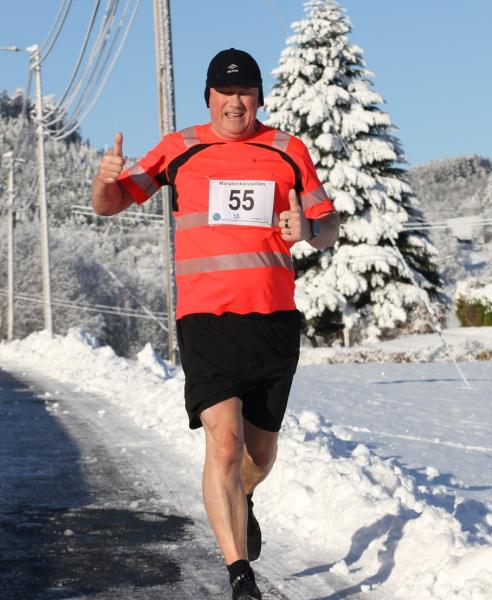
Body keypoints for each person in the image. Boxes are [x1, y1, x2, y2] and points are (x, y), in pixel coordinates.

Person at [91, 48, 340, 600]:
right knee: (224, 446)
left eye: (245, 92)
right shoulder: (180, 148)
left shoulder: (288, 150)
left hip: (273, 321)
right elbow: (110, 204)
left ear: (259, 97)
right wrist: (105, 180)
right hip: (206, 321)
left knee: (259, 456)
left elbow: (329, 226)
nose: (235, 102)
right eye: (225, 93)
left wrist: (308, 229)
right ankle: (239, 575)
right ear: (209, 97)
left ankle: (242, 497)